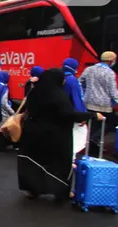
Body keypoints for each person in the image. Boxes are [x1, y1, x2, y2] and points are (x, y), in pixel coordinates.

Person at [18, 68, 101, 201]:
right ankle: (60, 191)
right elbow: (67, 114)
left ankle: (32, 189)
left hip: (32, 133)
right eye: (62, 79)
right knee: (59, 163)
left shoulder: (35, 92)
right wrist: (93, 115)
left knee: (33, 162)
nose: (63, 81)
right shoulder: (58, 95)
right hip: (54, 135)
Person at [80, 51, 118, 155]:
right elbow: (113, 91)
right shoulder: (109, 73)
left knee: (93, 125)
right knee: (109, 123)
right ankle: (95, 141)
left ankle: (91, 146)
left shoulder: (89, 69)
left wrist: (85, 94)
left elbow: (80, 82)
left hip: (88, 103)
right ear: (111, 61)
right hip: (104, 105)